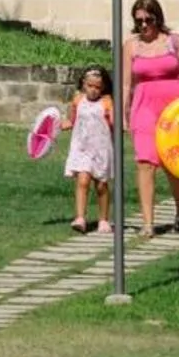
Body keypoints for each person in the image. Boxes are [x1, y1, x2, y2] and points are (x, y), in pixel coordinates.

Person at [123, 0, 179, 236]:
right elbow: (126, 84)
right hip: (144, 108)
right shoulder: (131, 46)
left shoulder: (174, 41)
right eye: (139, 21)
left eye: (149, 19)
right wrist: (124, 114)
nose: (144, 25)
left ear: (158, 18)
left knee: (174, 162)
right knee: (145, 163)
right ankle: (148, 223)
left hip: (175, 108)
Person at [61, 65, 115, 233]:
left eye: (97, 87)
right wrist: (65, 123)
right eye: (90, 86)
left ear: (104, 87)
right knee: (82, 181)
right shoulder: (78, 100)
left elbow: (113, 123)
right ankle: (80, 217)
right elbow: (72, 119)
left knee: (101, 185)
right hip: (82, 147)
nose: (93, 90)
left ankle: (103, 219)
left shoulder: (107, 102)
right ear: (84, 84)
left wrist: (117, 121)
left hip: (101, 149)